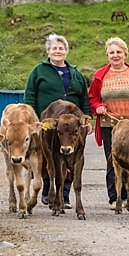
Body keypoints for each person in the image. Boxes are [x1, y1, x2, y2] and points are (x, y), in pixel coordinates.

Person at [23, 34, 91, 204]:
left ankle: (65, 194)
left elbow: (84, 98)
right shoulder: (39, 71)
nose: (58, 51)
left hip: (72, 122)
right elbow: (30, 95)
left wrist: (87, 121)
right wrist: (31, 119)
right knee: (49, 152)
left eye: (61, 48)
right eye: (54, 48)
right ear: (48, 51)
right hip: (48, 120)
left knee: (73, 153)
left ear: (66, 51)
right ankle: (48, 188)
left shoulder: (75, 73)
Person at [89, 37, 129, 205]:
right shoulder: (100, 76)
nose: (115, 55)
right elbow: (92, 97)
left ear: (125, 54)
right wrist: (98, 106)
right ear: (107, 55)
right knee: (113, 159)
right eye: (112, 52)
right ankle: (114, 197)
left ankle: (127, 196)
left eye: (119, 52)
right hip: (110, 126)